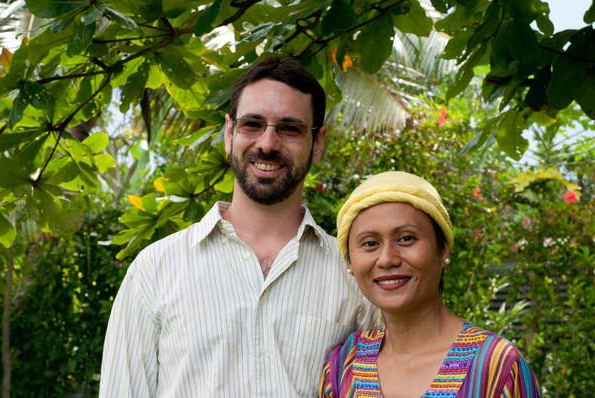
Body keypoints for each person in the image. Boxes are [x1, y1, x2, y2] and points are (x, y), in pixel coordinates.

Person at [99, 57, 378, 397]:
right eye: (252, 124)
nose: (268, 143)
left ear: (317, 143)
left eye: (290, 128)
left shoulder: (354, 275)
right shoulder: (154, 270)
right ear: (229, 133)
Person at [320, 171, 542, 397]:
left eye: (406, 238)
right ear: (349, 262)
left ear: (443, 248)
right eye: (370, 243)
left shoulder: (498, 368)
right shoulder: (342, 368)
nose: (387, 259)